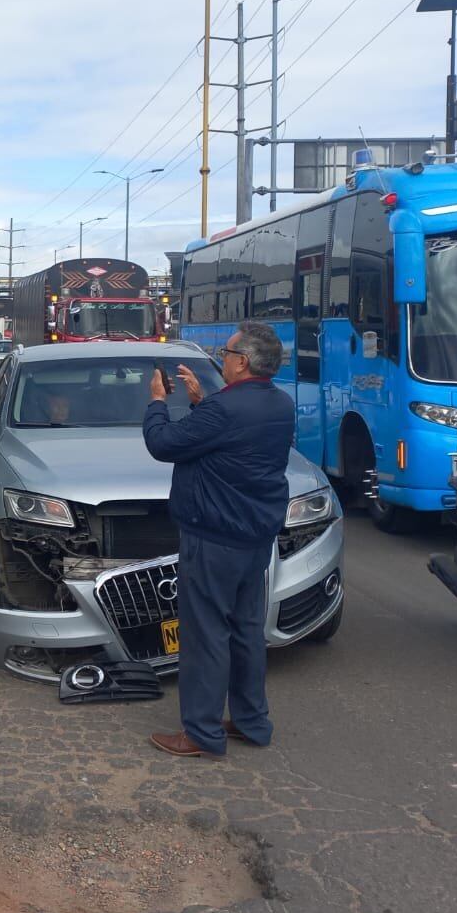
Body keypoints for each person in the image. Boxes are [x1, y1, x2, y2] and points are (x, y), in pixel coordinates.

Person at [141, 322, 295, 759]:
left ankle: (201, 734)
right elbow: (232, 440)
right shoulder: (279, 404)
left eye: (225, 354)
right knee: (246, 632)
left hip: (213, 538)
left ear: (242, 361)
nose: (221, 359)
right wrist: (201, 402)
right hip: (255, 537)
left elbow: (163, 443)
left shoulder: (223, 411)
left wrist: (157, 401)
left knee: (205, 636)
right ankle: (251, 722)